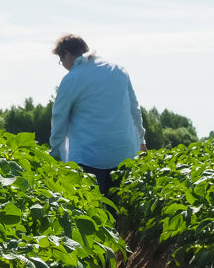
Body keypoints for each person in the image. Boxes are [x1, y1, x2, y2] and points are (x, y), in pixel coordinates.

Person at [48, 34, 146, 194]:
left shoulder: (73, 78)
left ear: (66, 53)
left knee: (93, 213)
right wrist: (141, 139)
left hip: (89, 158)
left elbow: (59, 119)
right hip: (123, 154)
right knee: (119, 210)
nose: (63, 65)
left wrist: (54, 154)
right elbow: (134, 109)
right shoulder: (118, 70)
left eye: (61, 59)